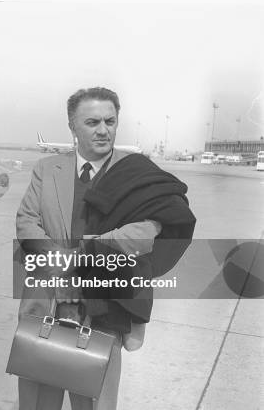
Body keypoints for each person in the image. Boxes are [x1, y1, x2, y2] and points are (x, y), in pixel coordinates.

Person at [15, 87, 195, 410]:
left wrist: (83, 258)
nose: (103, 130)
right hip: (48, 305)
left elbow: (146, 231)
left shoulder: (136, 171)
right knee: (38, 401)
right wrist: (60, 266)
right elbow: (27, 223)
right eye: (92, 122)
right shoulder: (47, 169)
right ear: (72, 126)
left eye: (110, 121)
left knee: (94, 403)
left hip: (103, 309)